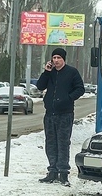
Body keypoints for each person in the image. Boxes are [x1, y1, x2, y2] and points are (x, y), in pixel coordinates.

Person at [36, 47, 85, 186]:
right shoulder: (50, 73)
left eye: (59, 58)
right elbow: (40, 86)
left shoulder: (72, 72)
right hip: (50, 114)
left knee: (63, 143)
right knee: (50, 143)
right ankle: (52, 171)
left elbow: (80, 89)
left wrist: (68, 98)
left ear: (64, 59)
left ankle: (63, 173)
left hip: (65, 114)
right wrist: (46, 72)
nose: (56, 61)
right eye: (54, 58)